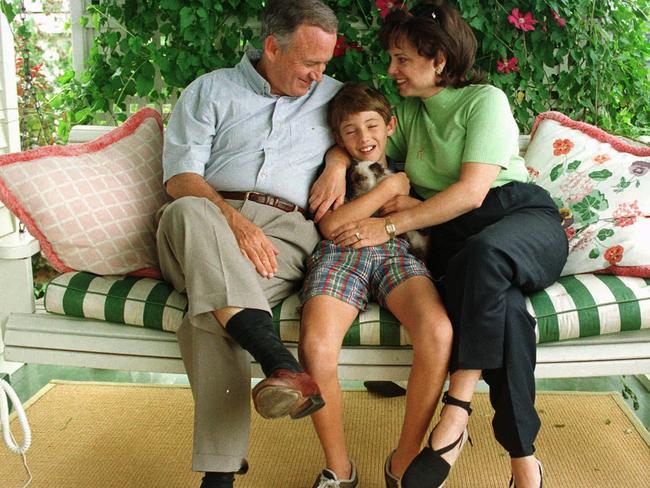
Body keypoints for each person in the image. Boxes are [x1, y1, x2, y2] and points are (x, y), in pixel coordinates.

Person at [314, 2, 568, 487]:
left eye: (403, 59)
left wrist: (390, 226)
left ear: (440, 60)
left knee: (485, 254)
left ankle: (456, 412)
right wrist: (334, 163)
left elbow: (473, 193)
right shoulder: (407, 113)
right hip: (459, 244)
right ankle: (524, 463)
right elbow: (364, 140)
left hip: (516, 217)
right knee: (507, 311)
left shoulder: (484, 100)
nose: (392, 70)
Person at [155, 1, 345, 487]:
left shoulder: (334, 96)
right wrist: (234, 221)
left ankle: (218, 477)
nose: (318, 76)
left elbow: (379, 134)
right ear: (271, 47)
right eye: (309, 64)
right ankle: (279, 362)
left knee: (211, 307)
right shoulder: (211, 91)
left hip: (286, 234)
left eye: (325, 64)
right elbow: (180, 178)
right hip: (202, 223)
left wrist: (339, 161)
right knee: (190, 211)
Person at [299, 83, 453, 488]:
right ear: (338, 138)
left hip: (396, 255)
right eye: (350, 131)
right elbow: (331, 226)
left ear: (390, 126)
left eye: (371, 126)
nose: (363, 138)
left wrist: (407, 194)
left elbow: (431, 217)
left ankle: (403, 464)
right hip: (341, 255)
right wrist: (387, 188)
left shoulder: (414, 167)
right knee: (316, 347)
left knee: (438, 331)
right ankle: (339, 470)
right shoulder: (333, 174)